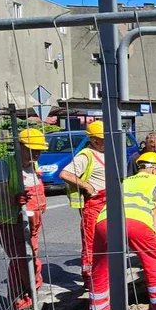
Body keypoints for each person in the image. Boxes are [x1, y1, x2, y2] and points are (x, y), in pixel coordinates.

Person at [89, 152, 156, 310]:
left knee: (100, 265)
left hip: (105, 221)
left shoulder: (125, 180)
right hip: (137, 222)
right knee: (154, 262)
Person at [0, 128, 48, 310]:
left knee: (31, 258)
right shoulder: (3, 165)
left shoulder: (34, 165)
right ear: (19, 146)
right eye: (32, 149)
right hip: (8, 221)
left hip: (31, 222)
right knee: (21, 260)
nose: (37, 153)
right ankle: (21, 299)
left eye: (39, 149)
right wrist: (13, 199)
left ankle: (30, 294)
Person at [58, 120, 106, 292]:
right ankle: (90, 279)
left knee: (107, 242)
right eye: (102, 139)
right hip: (93, 204)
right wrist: (86, 186)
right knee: (91, 243)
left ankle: (103, 276)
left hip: (107, 203)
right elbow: (65, 173)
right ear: (94, 140)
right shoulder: (86, 155)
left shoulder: (106, 153)